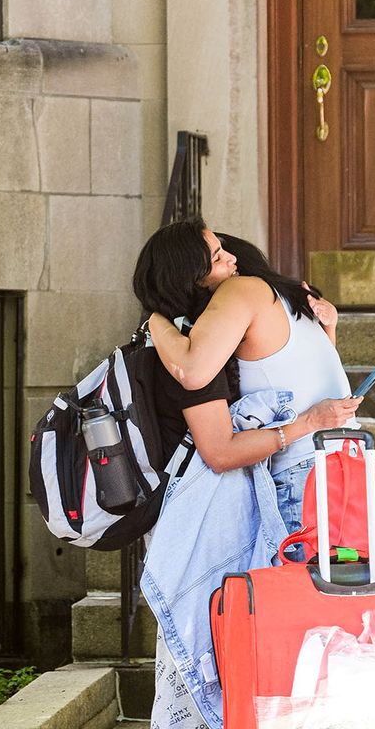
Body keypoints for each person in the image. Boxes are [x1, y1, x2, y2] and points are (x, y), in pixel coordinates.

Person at [134, 217, 361, 530]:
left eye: (223, 250)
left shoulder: (239, 290)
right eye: (217, 257)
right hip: (351, 463)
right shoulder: (281, 296)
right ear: (191, 278)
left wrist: (155, 320)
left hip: (306, 473)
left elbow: (191, 371)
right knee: (341, 576)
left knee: (302, 579)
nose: (231, 260)